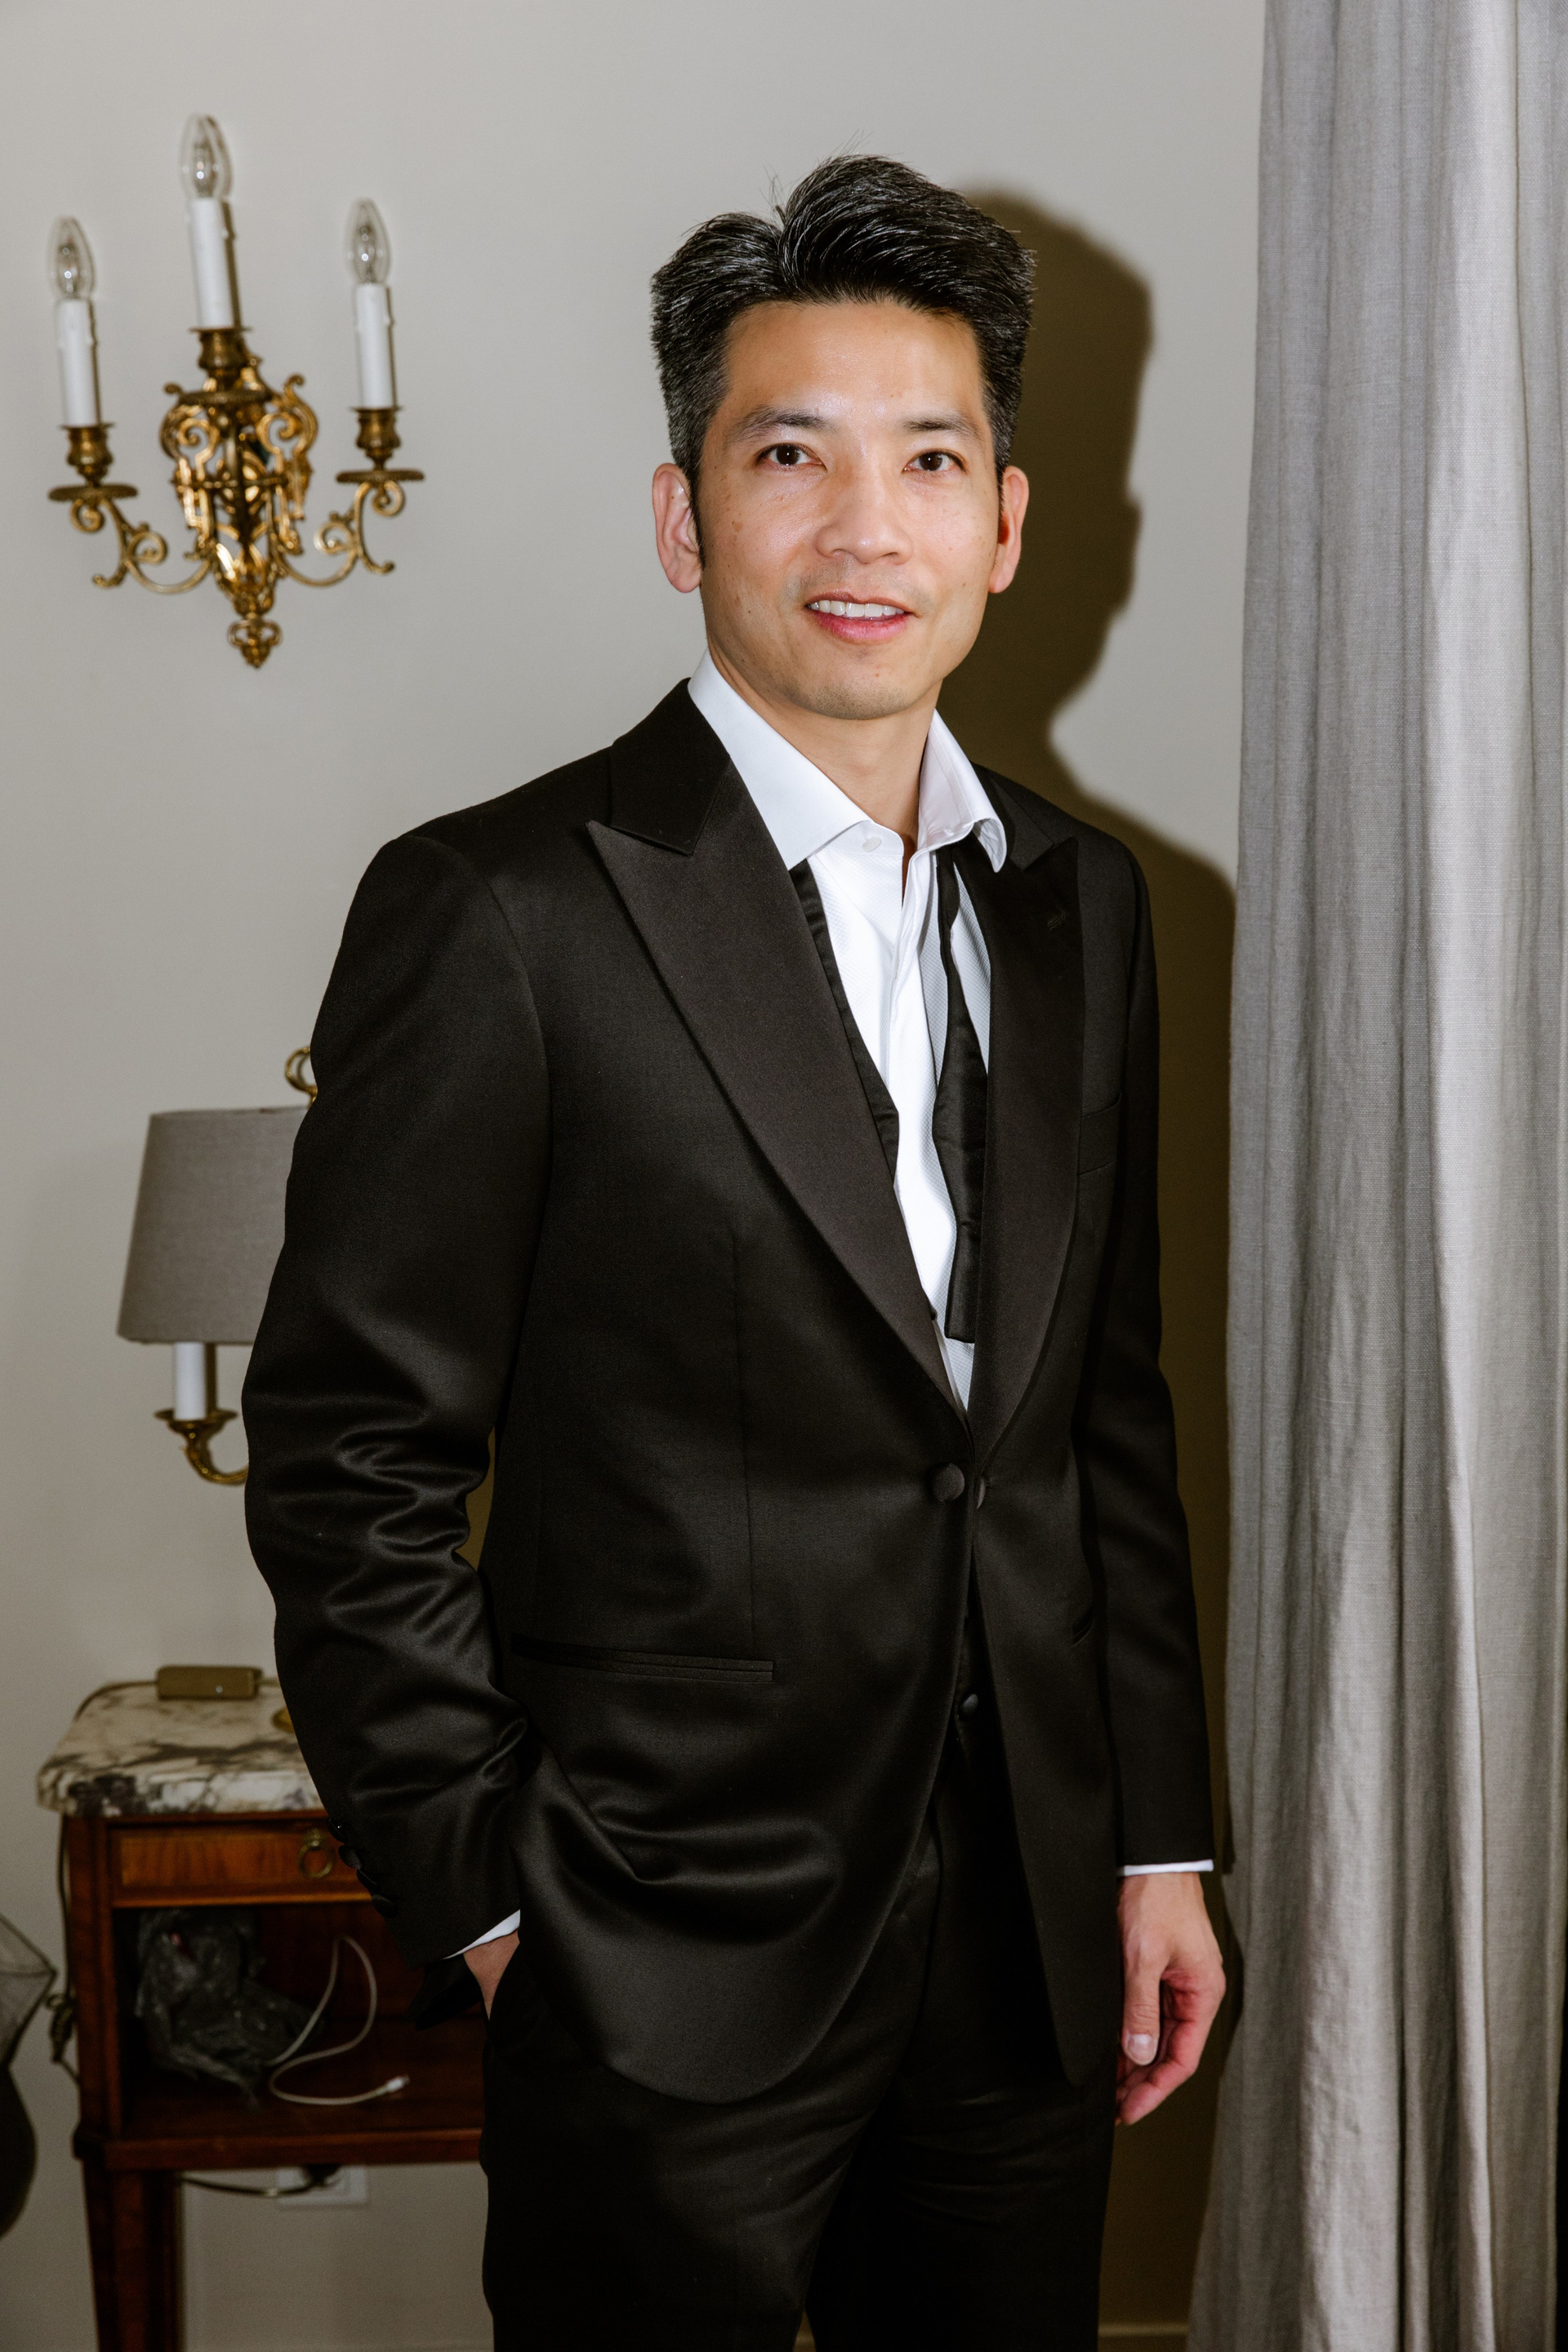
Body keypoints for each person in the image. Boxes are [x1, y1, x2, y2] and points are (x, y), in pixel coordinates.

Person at [243, 154, 1223, 2352]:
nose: (866, 529)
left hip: (1029, 1937)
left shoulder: (1086, 905)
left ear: (1007, 524)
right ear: (686, 519)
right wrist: (495, 1900)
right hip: (651, 1946)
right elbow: (347, 1459)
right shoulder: (500, 912)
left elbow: (1102, 1420)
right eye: (791, 458)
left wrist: (1156, 1841)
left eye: (928, 462)